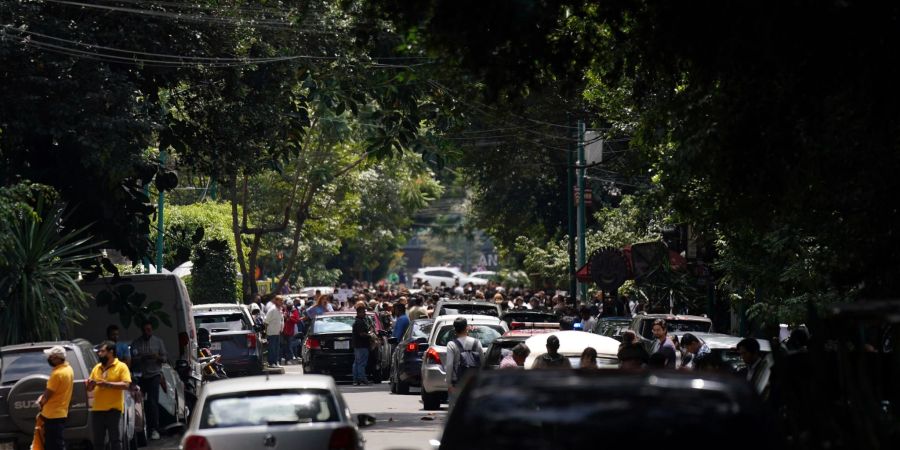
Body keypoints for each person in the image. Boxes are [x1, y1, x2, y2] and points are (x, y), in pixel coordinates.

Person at [87, 341, 132, 450]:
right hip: (97, 410)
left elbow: (126, 385)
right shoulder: (96, 368)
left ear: (111, 352)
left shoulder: (121, 366)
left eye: (102, 351)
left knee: (115, 441)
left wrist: (107, 384)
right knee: (98, 443)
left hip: (114, 411)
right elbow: (89, 388)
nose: (99, 354)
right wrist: (90, 384)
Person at [130, 321, 167, 440]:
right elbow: (132, 359)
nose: (147, 332)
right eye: (145, 330)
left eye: (149, 330)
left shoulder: (158, 342)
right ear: (142, 330)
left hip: (154, 374)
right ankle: (143, 427)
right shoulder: (136, 343)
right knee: (141, 402)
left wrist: (157, 357)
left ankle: (155, 429)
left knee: (152, 401)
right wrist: (142, 357)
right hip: (141, 376)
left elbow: (165, 358)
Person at [37, 346, 74, 450]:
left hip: (52, 415)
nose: (49, 359)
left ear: (58, 358)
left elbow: (48, 394)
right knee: (58, 442)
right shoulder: (69, 369)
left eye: (51, 357)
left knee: (53, 445)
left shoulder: (57, 374)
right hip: (61, 412)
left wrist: (40, 402)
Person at [444, 317, 483, 405]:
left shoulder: (451, 344)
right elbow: (482, 363)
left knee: (456, 408)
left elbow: (449, 364)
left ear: (455, 329)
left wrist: (449, 384)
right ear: (467, 328)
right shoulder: (477, 343)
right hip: (473, 382)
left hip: (457, 382)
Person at [352, 302, 372, 385]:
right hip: (361, 345)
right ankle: (361, 378)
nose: (365, 314)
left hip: (358, 345)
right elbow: (361, 334)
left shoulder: (358, 321)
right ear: (359, 313)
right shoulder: (359, 322)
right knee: (361, 363)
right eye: (363, 312)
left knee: (357, 363)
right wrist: (370, 335)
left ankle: (356, 379)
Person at [265, 295, 285, 368]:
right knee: (272, 348)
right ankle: (271, 363)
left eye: (282, 300)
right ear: (276, 301)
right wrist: (265, 333)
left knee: (277, 348)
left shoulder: (280, 309)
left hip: (277, 332)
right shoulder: (272, 309)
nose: (282, 302)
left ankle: (276, 362)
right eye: (280, 300)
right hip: (271, 332)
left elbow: (281, 320)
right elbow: (266, 321)